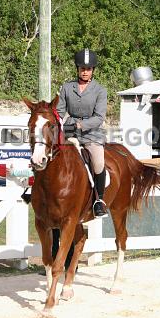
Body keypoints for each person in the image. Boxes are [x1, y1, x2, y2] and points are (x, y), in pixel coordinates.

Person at [57, 48, 108, 218]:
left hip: (91, 133)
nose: (85, 72)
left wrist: (81, 125)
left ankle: (99, 201)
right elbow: (59, 111)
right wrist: (60, 124)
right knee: (50, 152)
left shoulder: (100, 90)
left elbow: (99, 117)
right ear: (77, 69)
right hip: (69, 130)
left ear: (93, 70)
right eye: (82, 69)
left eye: (88, 69)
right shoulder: (66, 87)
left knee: (98, 162)